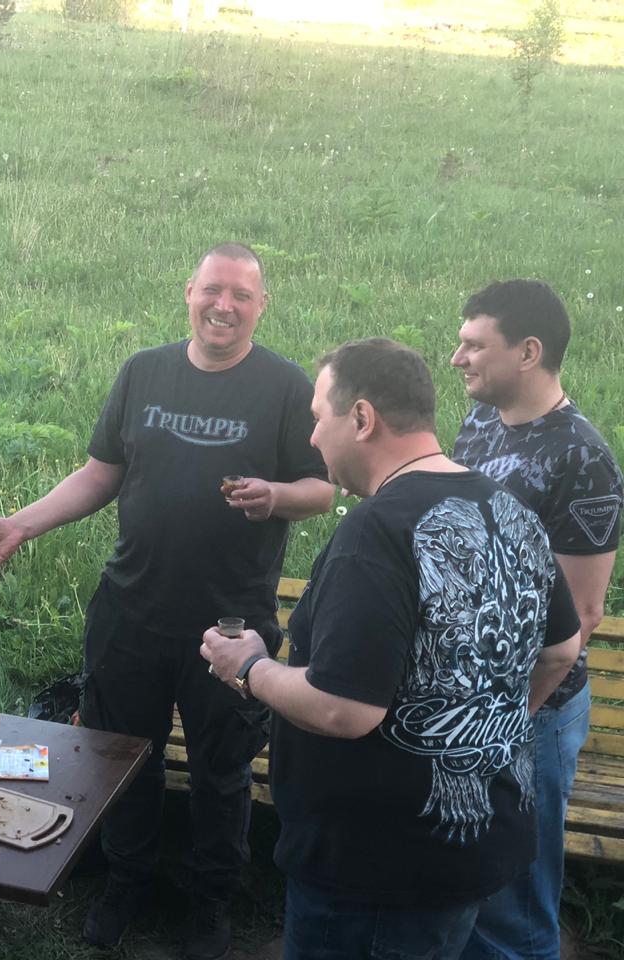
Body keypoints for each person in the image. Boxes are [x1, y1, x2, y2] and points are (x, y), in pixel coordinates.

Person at [0, 243, 333, 959]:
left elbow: (322, 488)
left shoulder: (285, 385)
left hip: (230, 625)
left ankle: (211, 901)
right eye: (213, 289)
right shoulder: (143, 372)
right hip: (131, 608)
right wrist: (23, 525)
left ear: (262, 305)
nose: (224, 305)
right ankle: (126, 881)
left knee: (222, 771)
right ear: (189, 292)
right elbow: (100, 472)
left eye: (242, 295)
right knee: (121, 758)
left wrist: (277, 495)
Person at [202, 337, 581, 960]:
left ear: (362, 418)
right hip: (480, 842)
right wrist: (484, 729)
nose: (313, 438)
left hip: (377, 868)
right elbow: (562, 649)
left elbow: (344, 708)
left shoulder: (374, 532)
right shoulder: (507, 507)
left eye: (319, 417)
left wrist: (249, 667)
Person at [450, 280, 622, 960]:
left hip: (532, 712)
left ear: (528, 352)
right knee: (472, 882)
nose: (457, 358)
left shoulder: (584, 459)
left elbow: (583, 614)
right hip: (469, 697)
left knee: (515, 906)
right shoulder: (482, 422)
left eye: (474, 345)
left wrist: (510, 715)